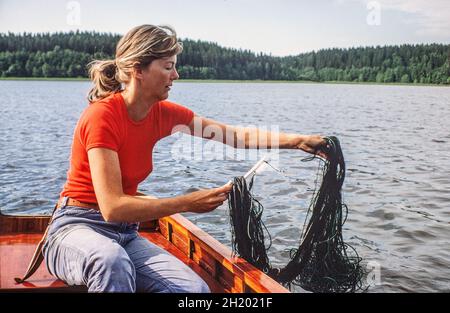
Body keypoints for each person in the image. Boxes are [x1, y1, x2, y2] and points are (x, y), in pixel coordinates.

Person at [42, 24, 326, 293]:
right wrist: (190, 203)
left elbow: (237, 136)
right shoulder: (102, 116)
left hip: (125, 235)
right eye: (168, 67)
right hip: (75, 228)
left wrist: (298, 141)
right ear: (137, 69)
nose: (176, 75)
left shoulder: (164, 113)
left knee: (193, 289)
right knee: (110, 262)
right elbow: (113, 208)